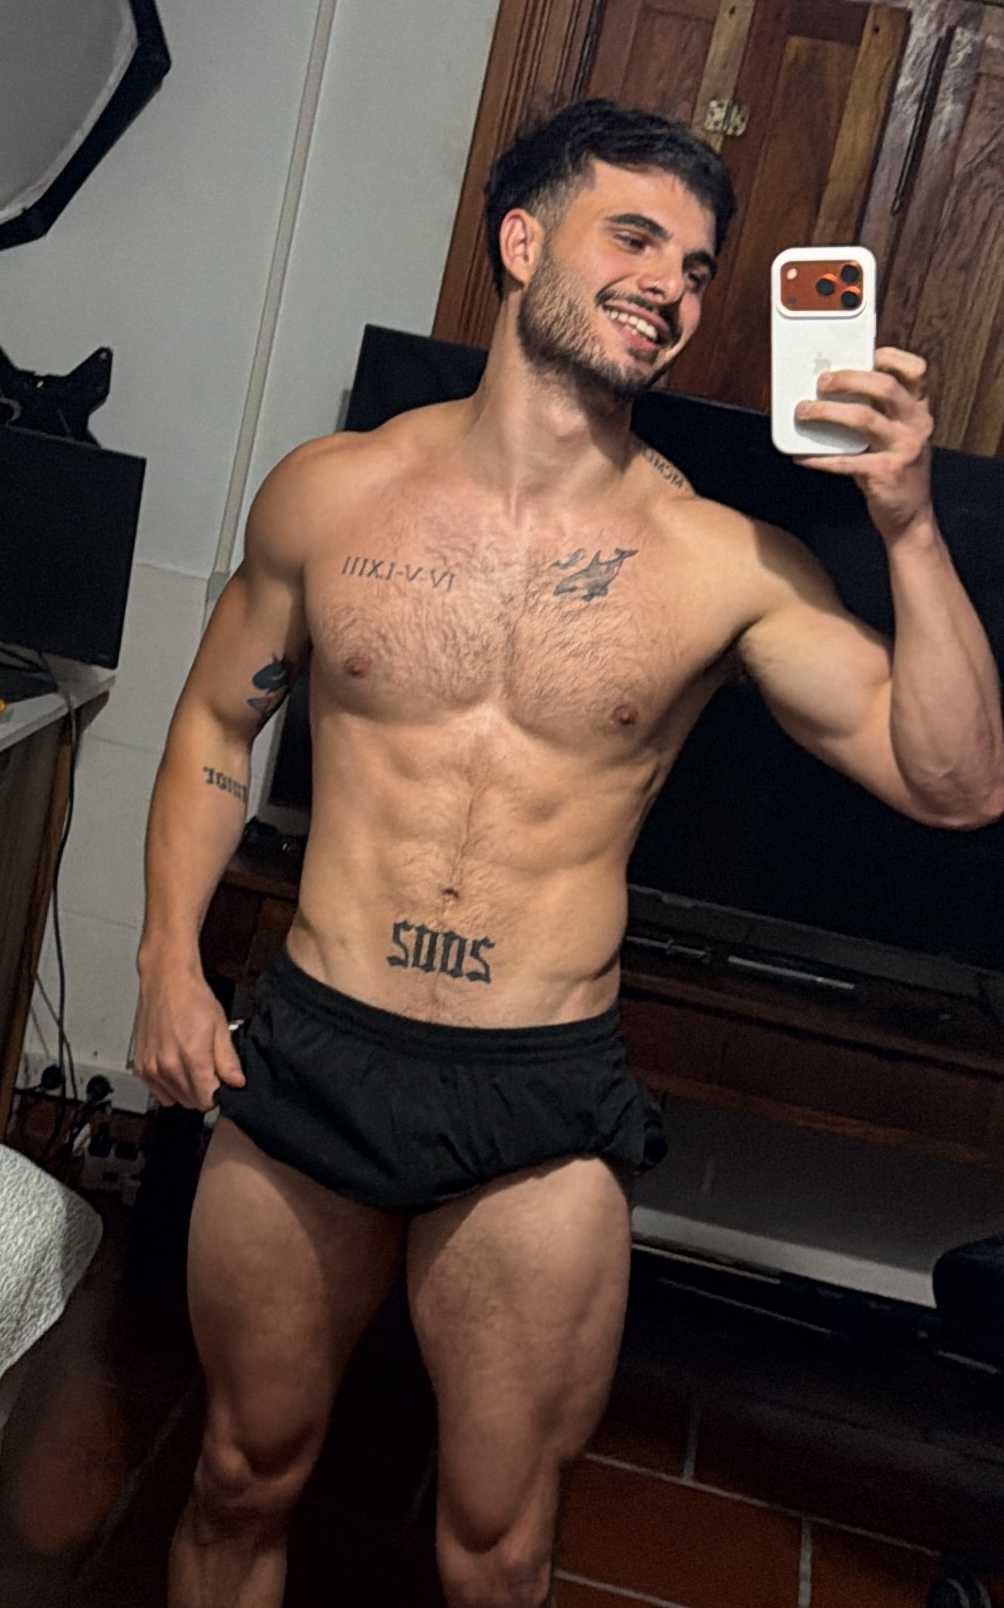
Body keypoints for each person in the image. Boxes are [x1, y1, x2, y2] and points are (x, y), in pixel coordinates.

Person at [134, 99, 1004, 1608]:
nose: (672, 285)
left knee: (499, 1550)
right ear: (523, 241)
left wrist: (908, 528)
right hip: (315, 1051)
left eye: (697, 266)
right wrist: (165, 962)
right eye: (636, 237)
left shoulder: (723, 559)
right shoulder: (332, 492)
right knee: (236, 1474)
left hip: (535, 1098)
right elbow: (216, 722)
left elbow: (957, 781)